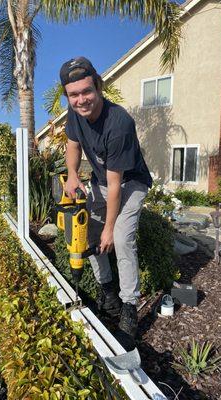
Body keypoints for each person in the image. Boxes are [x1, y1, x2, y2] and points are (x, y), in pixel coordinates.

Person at [60, 57, 152, 338]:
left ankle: (128, 305)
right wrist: (73, 174)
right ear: (68, 95)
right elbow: (72, 146)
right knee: (86, 231)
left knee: (121, 239)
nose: (81, 100)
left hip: (130, 182)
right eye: (74, 94)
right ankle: (107, 290)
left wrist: (110, 229)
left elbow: (116, 185)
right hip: (102, 181)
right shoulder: (75, 113)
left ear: (98, 87)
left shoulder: (118, 122)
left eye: (86, 91)